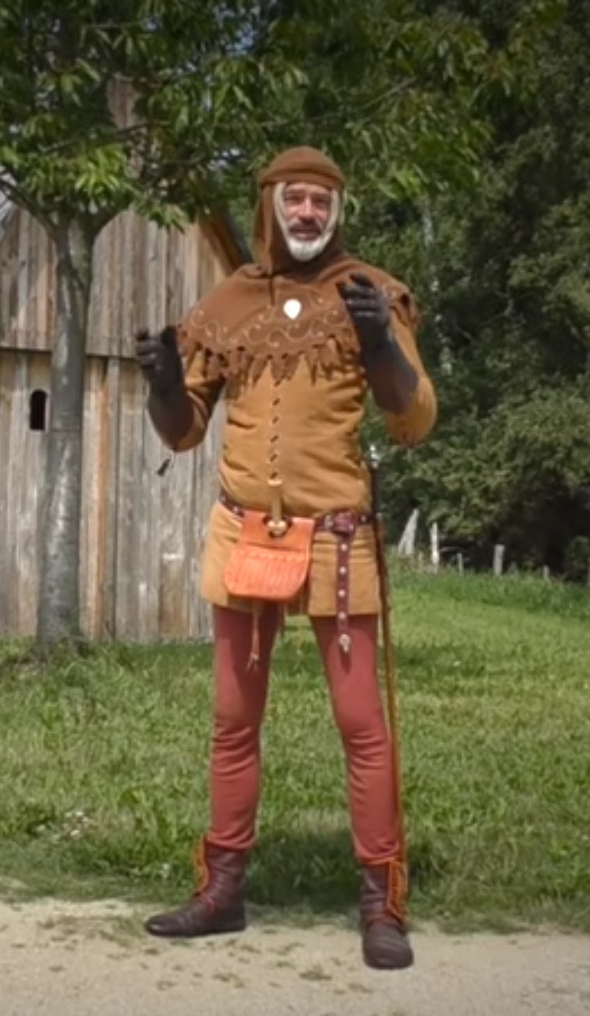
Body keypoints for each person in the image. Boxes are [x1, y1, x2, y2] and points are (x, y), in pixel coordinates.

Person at [134, 146, 437, 970]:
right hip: (245, 533)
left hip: (339, 538)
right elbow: (184, 427)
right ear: (269, 203)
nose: (307, 213)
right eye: (294, 199)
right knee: (234, 721)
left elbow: (415, 422)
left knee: (361, 726)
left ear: (337, 209)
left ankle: (382, 903)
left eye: (321, 201)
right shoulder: (230, 301)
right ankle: (222, 889)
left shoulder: (370, 292)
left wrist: (380, 346)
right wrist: (164, 382)